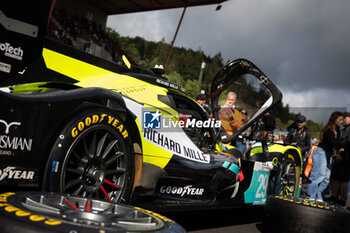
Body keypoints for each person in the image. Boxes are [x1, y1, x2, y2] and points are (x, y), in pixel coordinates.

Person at [307, 111, 344, 201]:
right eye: (340, 120)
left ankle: (319, 196)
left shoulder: (338, 131)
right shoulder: (328, 131)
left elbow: (337, 144)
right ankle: (310, 196)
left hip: (329, 154)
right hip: (320, 152)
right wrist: (341, 147)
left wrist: (338, 152)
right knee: (318, 175)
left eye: (342, 120)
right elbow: (335, 143)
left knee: (326, 178)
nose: (342, 122)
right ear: (334, 120)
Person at [329, 112, 350, 207]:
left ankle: (342, 199)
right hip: (339, 156)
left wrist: (343, 154)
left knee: (343, 180)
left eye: (345, 118)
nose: (344, 120)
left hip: (346, 158)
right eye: (343, 118)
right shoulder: (343, 129)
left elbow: (348, 145)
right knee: (335, 178)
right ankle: (334, 197)